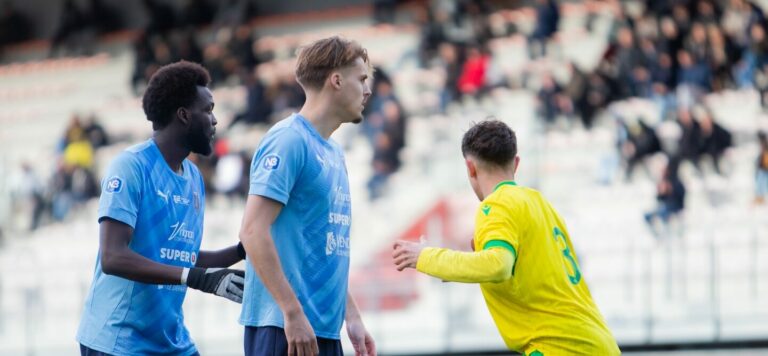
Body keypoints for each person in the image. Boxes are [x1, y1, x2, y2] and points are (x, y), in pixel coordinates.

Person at [392, 120, 620, 355]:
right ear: (516, 163)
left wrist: (425, 256)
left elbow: (497, 265)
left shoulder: (496, 204)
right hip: (598, 341)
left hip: (559, 346)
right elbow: (520, 270)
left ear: (470, 168)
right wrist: (459, 265)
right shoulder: (540, 203)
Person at [77, 61, 246, 356]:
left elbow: (180, 256)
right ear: (184, 115)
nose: (215, 120)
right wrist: (196, 278)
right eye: (208, 110)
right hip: (118, 341)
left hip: (170, 339)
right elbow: (113, 257)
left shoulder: (193, 177)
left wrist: (242, 251)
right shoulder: (131, 166)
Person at [238, 36, 376, 356]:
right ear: (336, 80)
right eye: (361, 79)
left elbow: (327, 246)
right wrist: (291, 312)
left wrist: (352, 315)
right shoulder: (289, 140)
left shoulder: (334, 152)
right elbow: (252, 230)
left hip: (321, 328)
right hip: (285, 328)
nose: (368, 90)